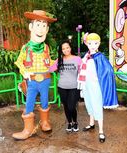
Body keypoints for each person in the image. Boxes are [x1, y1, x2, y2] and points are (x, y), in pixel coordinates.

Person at [12, 10, 57, 140]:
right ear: (31, 27)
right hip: (31, 81)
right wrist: (24, 71)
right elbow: (19, 62)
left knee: (44, 101)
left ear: (47, 29)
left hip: (45, 80)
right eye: (38, 25)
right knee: (29, 103)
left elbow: (49, 62)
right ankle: (28, 129)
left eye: (44, 26)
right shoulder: (26, 48)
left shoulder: (46, 48)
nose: (41, 29)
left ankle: (44, 122)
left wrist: (59, 62)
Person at [77, 33, 118, 143]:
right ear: (86, 43)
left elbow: (108, 70)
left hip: (96, 87)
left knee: (97, 107)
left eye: (95, 43)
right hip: (87, 86)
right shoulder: (86, 56)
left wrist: (104, 79)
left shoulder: (100, 57)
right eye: (90, 43)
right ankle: (91, 124)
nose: (93, 46)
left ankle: (101, 131)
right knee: (89, 105)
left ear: (99, 43)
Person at [50, 40, 82, 132]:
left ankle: (75, 122)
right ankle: (69, 123)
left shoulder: (77, 59)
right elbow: (51, 69)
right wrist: (47, 62)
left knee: (71, 106)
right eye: (63, 49)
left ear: (70, 48)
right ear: (61, 50)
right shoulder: (59, 60)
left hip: (74, 87)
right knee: (66, 106)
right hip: (62, 87)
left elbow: (82, 72)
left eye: (67, 47)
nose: (65, 50)